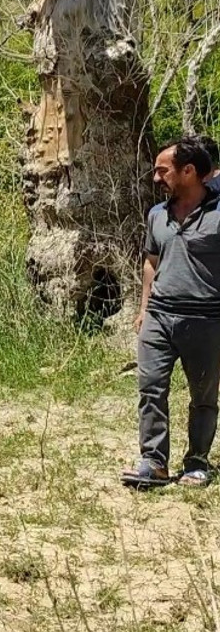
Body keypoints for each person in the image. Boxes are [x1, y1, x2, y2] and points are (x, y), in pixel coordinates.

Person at [123, 138, 220, 489]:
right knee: (151, 389)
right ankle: (154, 463)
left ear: (189, 171)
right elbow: (151, 262)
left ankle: (197, 461)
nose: (155, 177)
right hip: (160, 317)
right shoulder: (156, 214)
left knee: (204, 396)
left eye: (163, 170)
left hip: (206, 319)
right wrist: (144, 307)